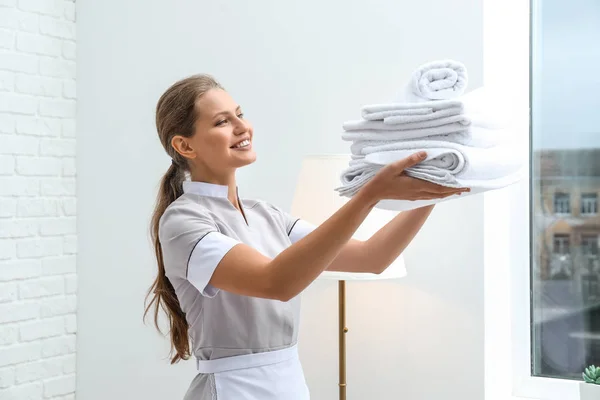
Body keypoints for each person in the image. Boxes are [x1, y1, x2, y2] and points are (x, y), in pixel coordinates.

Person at [144, 74, 469, 400]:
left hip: (289, 385)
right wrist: (368, 195)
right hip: (232, 390)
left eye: (239, 115)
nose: (242, 127)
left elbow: (373, 257)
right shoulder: (183, 222)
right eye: (221, 122)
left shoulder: (265, 215)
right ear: (185, 145)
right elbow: (276, 282)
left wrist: (435, 189)